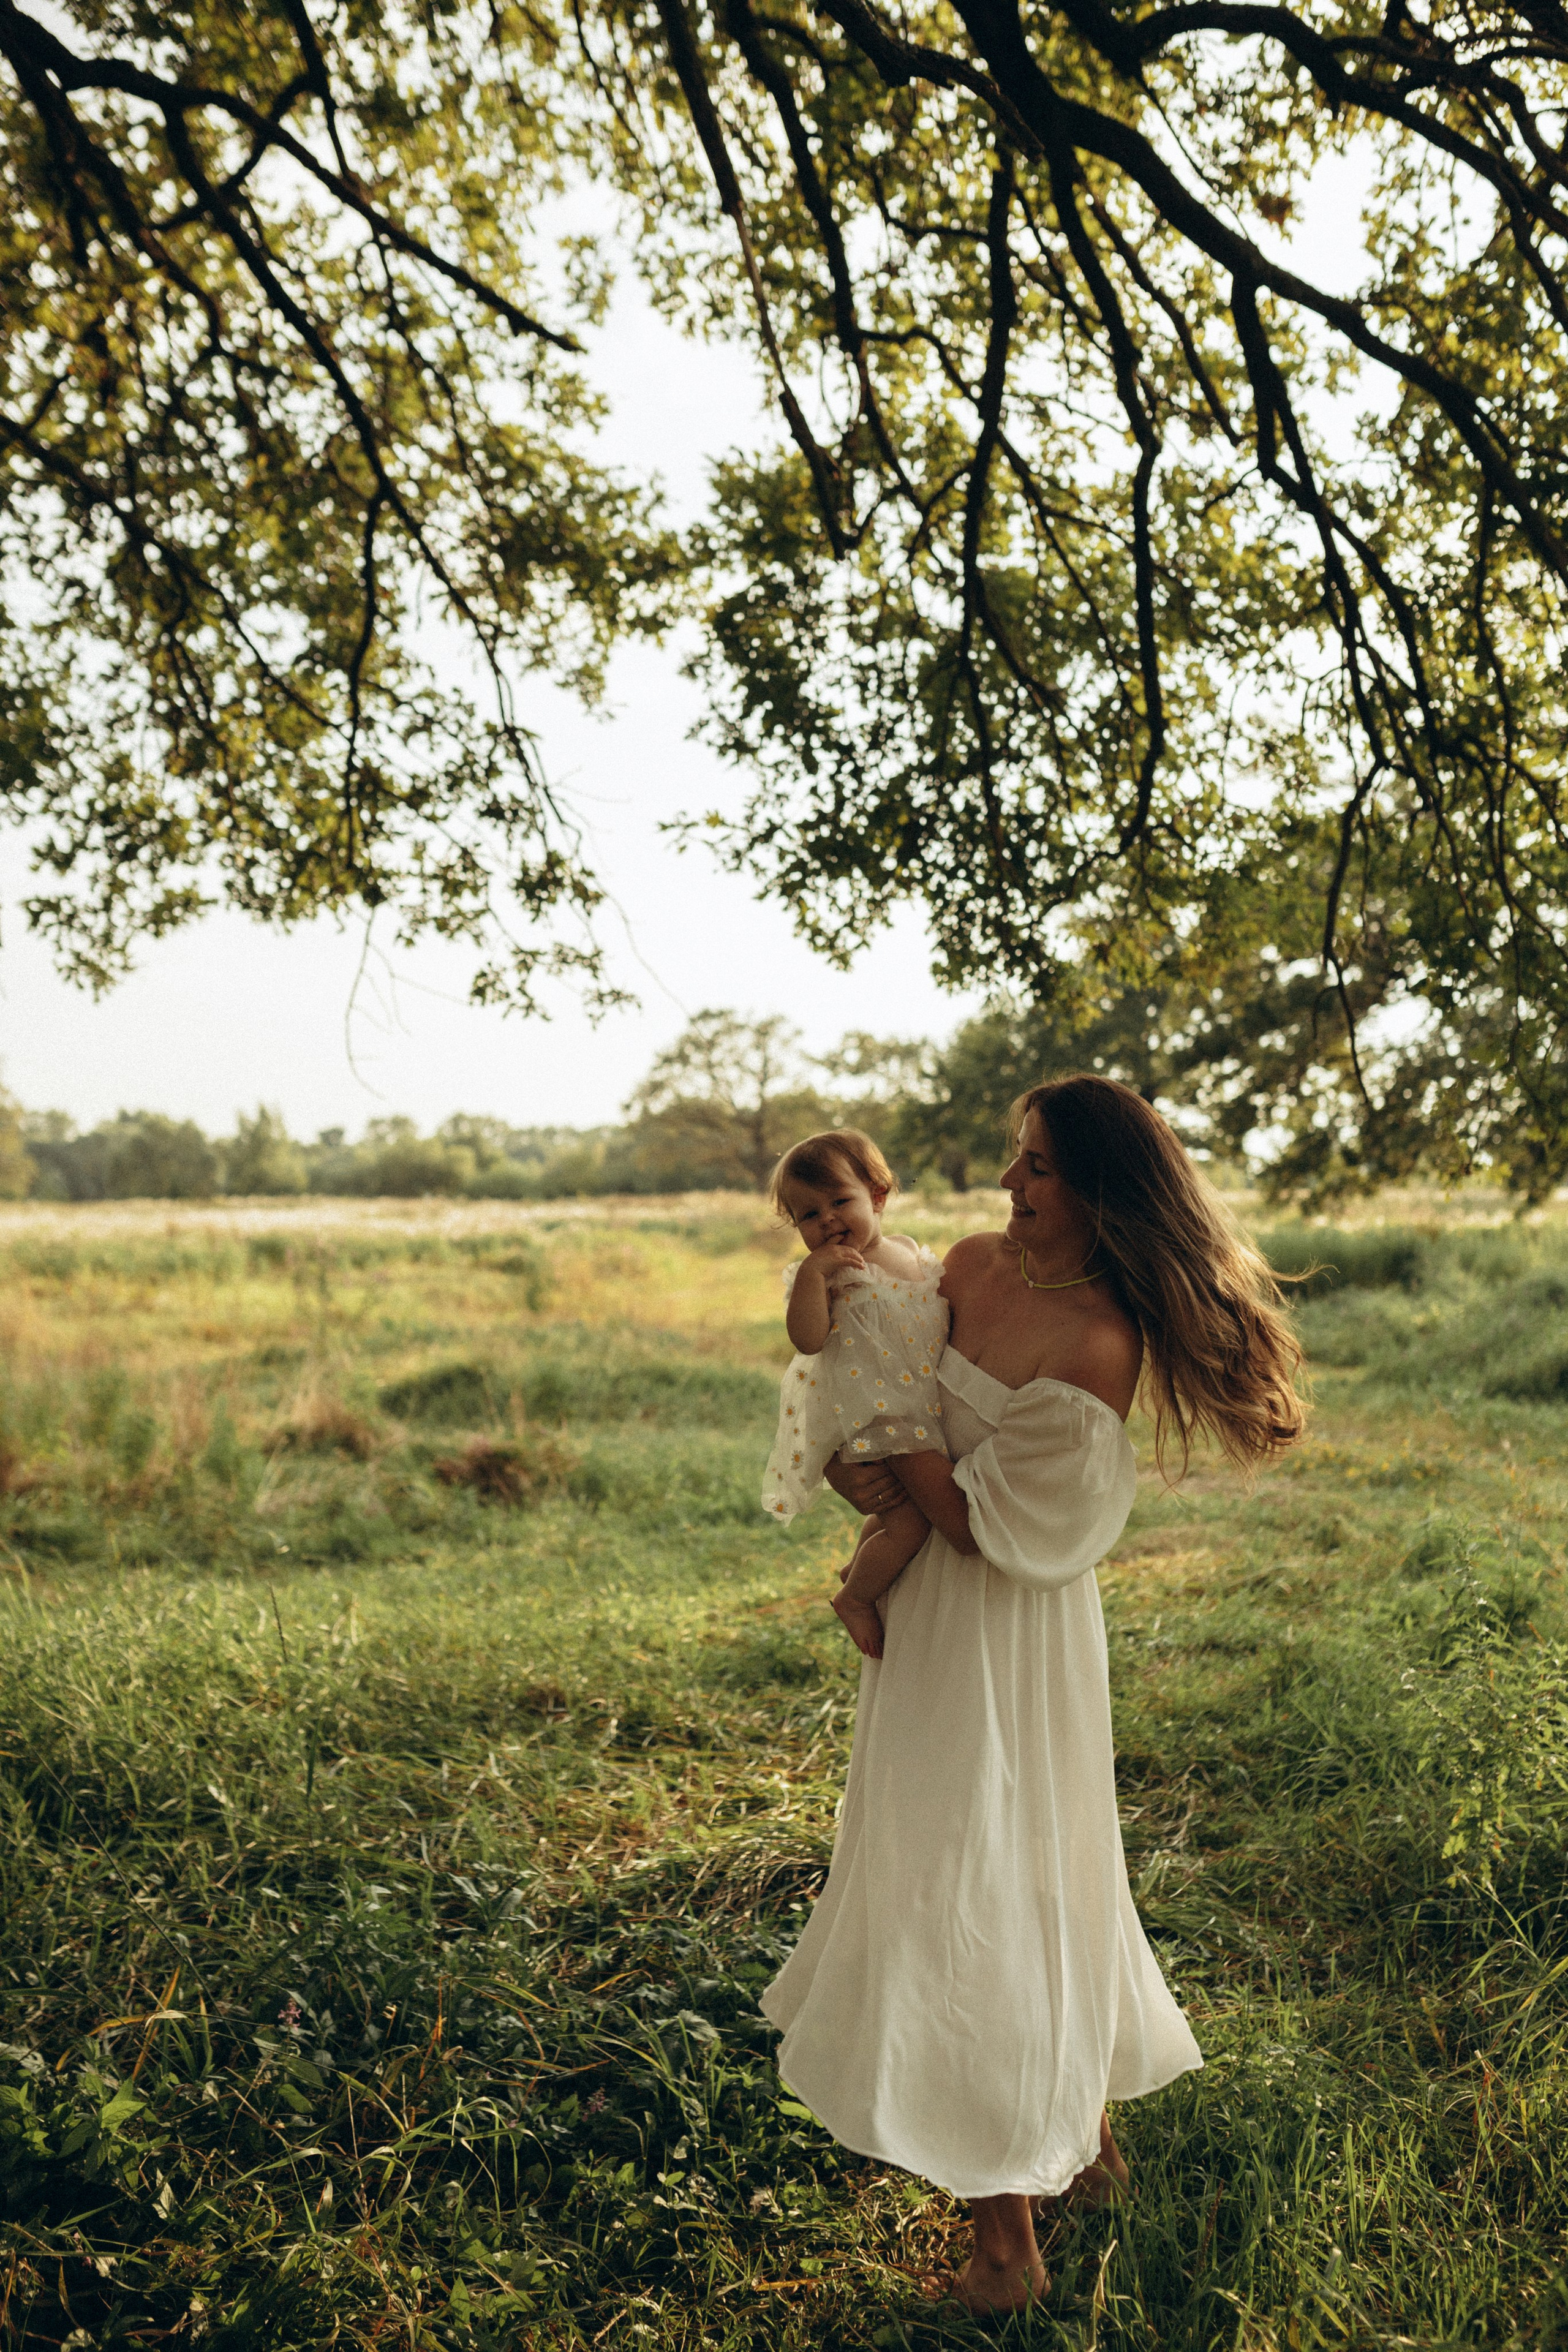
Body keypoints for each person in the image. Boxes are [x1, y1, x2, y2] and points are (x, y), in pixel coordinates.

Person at [761, 1076, 1306, 2315]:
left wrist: (893, 1459)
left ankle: (1004, 2249)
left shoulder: (1095, 1344)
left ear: (1099, 1194)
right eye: (1015, 1158)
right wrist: (857, 1458)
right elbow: (874, 1357)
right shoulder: (960, 1261)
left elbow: (975, 1516)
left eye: (1038, 1168)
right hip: (931, 1620)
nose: (1008, 1183)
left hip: (1009, 1623)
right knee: (995, 1866)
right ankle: (1086, 2150)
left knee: (985, 1880)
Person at [761, 1131, 952, 1658]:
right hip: (875, 1414)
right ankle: (856, 1596)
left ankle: (860, 1564)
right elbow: (807, 1340)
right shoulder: (822, 1275)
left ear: (879, 1195)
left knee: (897, 1510)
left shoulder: (910, 1253)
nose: (826, 1220)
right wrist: (811, 1278)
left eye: (840, 1202)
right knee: (910, 1520)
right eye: (808, 1214)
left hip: (923, 1404)